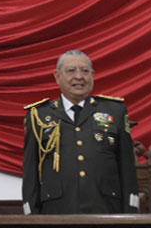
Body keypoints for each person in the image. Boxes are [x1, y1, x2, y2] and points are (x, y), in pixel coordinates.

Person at [22, 50, 138, 214]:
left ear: (93, 74)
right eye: (71, 71)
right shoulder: (39, 115)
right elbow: (30, 172)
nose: (79, 77)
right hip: (56, 213)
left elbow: (127, 168)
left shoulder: (115, 112)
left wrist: (130, 212)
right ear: (57, 76)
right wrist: (31, 215)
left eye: (85, 71)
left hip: (106, 210)